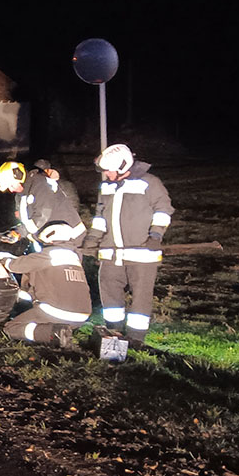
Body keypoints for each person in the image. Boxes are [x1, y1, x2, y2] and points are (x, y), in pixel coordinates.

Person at [80, 143, 174, 346]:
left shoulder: (150, 183)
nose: (106, 173)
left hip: (142, 254)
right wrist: (92, 239)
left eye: (109, 170)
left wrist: (155, 236)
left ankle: (135, 338)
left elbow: (163, 211)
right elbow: (100, 217)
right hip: (111, 252)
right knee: (109, 293)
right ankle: (113, 332)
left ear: (122, 166)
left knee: (141, 297)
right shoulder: (106, 186)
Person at [0, 220, 92, 347]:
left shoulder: (51, 254)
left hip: (58, 312)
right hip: (82, 317)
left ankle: (54, 334)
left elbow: (15, 266)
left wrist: (3, 259)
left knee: (11, 327)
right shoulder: (73, 257)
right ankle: (58, 328)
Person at [0, 160, 86, 253]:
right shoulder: (22, 196)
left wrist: (21, 231)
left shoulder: (39, 183)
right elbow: (27, 221)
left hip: (67, 238)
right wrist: (16, 232)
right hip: (49, 241)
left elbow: (42, 215)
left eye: (12, 185)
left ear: (19, 176)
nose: (11, 190)